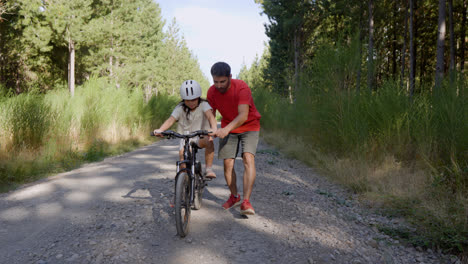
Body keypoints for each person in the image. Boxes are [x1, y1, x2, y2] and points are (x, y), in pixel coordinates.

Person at [207, 62, 261, 215]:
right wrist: (211, 131)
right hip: (227, 126)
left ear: (230, 77)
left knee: (247, 158)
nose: (218, 85)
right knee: (227, 163)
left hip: (249, 125)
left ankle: (246, 202)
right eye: (215, 81)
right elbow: (210, 114)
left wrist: (225, 130)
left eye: (222, 81)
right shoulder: (212, 91)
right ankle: (235, 196)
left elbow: (243, 115)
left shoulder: (241, 87)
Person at [154, 80, 218, 178]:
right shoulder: (180, 108)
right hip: (186, 137)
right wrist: (161, 129)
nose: (191, 103)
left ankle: (208, 169)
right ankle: (184, 182)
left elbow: (210, 117)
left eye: (194, 99)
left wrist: (214, 129)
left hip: (200, 135)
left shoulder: (204, 105)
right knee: (182, 161)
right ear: (183, 99)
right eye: (187, 100)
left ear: (198, 97)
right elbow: (171, 120)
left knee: (209, 141)